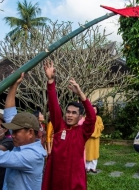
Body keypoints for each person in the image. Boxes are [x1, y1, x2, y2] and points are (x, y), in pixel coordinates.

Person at [42, 60, 96, 190]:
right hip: (56, 177)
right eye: (68, 112)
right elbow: (54, 106)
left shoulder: (83, 132)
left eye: (74, 113)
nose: (70, 115)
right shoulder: (59, 127)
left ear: (80, 117)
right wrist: (50, 82)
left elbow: (92, 117)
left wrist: (80, 94)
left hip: (74, 179)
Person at [85, 105, 104, 173]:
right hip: (88, 139)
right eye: (92, 109)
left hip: (95, 139)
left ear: (97, 111)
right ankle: (87, 167)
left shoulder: (98, 118)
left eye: (95, 110)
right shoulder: (86, 118)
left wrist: (95, 127)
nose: (93, 111)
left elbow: (101, 127)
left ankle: (93, 167)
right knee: (87, 152)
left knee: (94, 153)